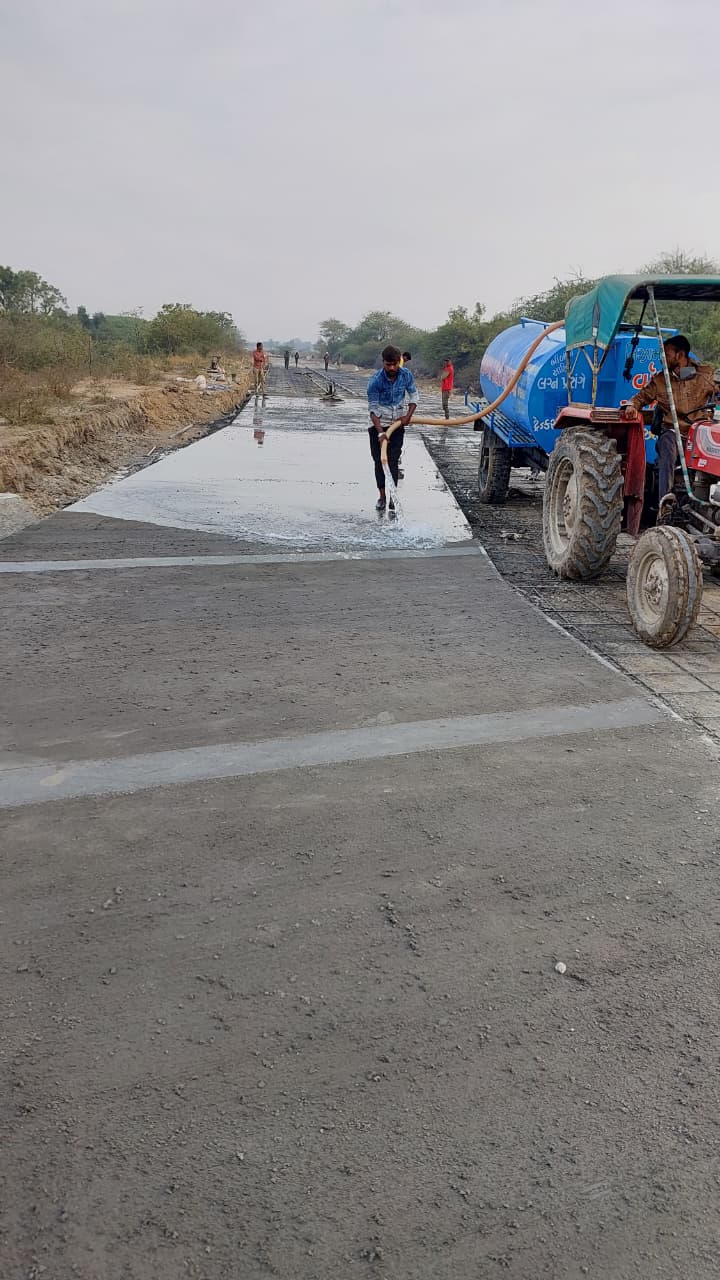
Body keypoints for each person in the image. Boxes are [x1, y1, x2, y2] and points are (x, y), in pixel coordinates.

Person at [621, 335, 716, 499]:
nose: (662, 358)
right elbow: (639, 398)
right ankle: (665, 501)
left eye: (666, 354)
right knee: (667, 443)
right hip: (673, 433)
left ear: (680, 355)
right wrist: (632, 406)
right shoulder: (660, 380)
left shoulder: (705, 375)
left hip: (698, 435)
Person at [367, 344, 418, 511]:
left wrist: (408, 416)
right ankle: (382, 497)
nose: (391, 368)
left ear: (399, 361)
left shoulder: (406, 375)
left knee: (393, 460)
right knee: (379, 461)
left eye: (394, 364)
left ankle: (393, 498)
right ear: (383, 362)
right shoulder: (375, 380)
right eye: (388, 364)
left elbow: (414, 395)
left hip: (397, 424)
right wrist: (380, 433)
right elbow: (373, 408)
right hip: (378, 425)